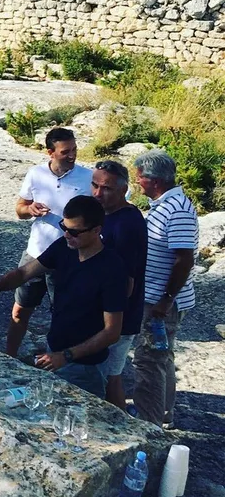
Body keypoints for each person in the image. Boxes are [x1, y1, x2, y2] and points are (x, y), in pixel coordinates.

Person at [0, 195, 127, 398]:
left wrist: (66, 356)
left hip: (86, 367)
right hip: (53, 352)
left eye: (73, 231)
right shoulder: (64, 247)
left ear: (96, 230)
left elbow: (112, 332)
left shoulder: (112, 269)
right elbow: (24, 273)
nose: (66, 234)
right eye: (64, 226)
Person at [6, 127, 93, 356]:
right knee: (21, 309)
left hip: (69, 258)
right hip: (36, 253)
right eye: (66, 152)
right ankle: (10, 356)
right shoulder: (36, 174)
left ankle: (59, 361)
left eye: (74, 149)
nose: (73, 155)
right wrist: (30, 209)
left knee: (64, 315)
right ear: (50, 152)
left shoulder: (88, 178)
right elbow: (20, 209)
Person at [132, 150, 199, 428]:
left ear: (154, 181)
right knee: (162, 356)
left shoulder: (177, 210)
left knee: (148, 360)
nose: (137, 182)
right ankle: (164, 412)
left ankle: (149, 423)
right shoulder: (164, 204)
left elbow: (184, 258)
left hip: (161, 303)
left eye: (139, 178)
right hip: (160, 298)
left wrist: (166, 299)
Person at [91, 160, 148, 410]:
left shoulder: (127, 224)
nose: (97, 193)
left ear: (124, 190)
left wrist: (112, 319)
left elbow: (127, 281)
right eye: (94, 185)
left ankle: (121, 428)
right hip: (103, 313)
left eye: (106, 189)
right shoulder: (105, 214)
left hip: (118, 319)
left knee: (110, 377)